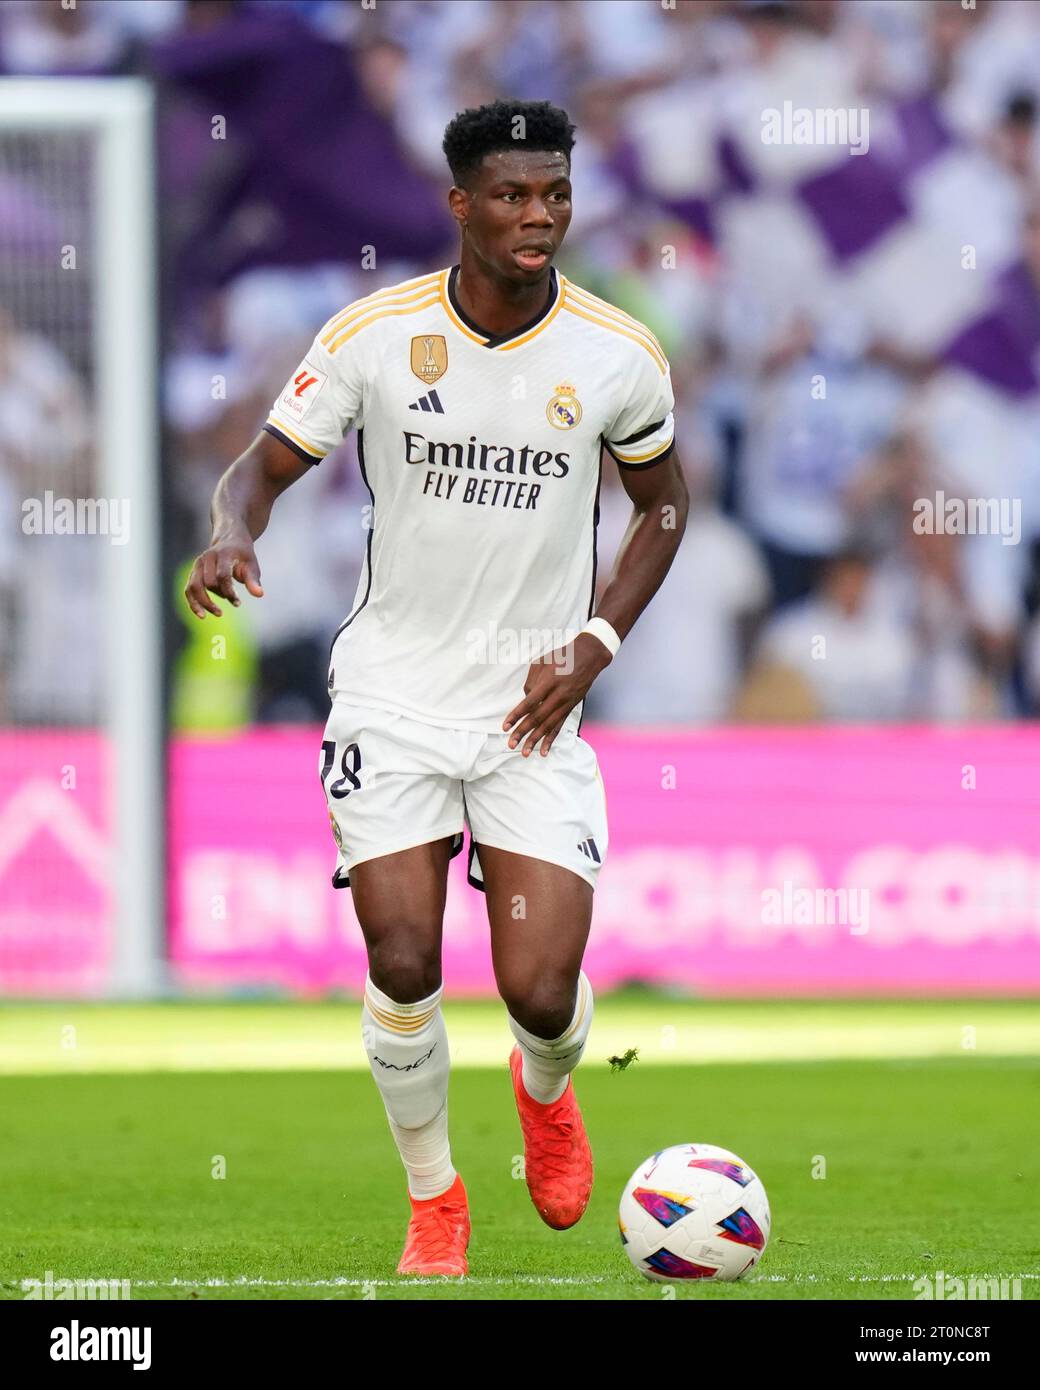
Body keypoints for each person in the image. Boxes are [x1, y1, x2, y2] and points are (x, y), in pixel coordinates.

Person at [184, 99, 688, 1278]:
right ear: (458, 202)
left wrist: (595, 646)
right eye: (510, 196)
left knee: (541, 988)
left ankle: (547, 1093)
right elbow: (255, 473)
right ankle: (434, 1200)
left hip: (534, 706)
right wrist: (226, 533)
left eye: (554, 194)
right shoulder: (374, 334)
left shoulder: (616, 352)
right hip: (392, 695)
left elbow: (665, 506)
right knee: (404, 958)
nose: (537, 217)